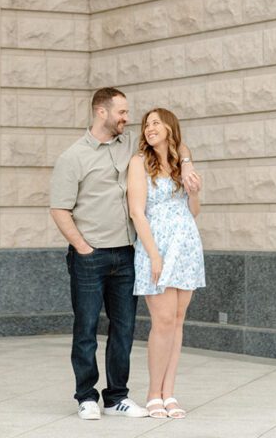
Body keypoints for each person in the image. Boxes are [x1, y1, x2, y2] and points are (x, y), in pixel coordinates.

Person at [50, 87, 200, 421]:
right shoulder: (73, 157)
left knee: (123, 328)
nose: (127, 118)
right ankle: (86, 395)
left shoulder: (129, 143)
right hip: (90, 255)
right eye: (122, 112)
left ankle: (117, 395)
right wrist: (82, 247)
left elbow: (173, 142)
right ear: (101, 112)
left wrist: (187, 163)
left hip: (126, 254)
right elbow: (59, 209)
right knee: (87, 328)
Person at [127, 107, 205, 420]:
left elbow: (193, 210)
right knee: (161, 322)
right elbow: (136, 212)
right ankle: (152, 394)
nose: (149, 128)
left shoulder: (179, 163)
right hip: (155, 246)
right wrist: (154, 255)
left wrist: (195, 191)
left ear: (170, 128)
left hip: (186, 246)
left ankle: (169, 392)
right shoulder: (138, 163)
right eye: (146, 125)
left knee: (177, 320)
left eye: (156, 123)